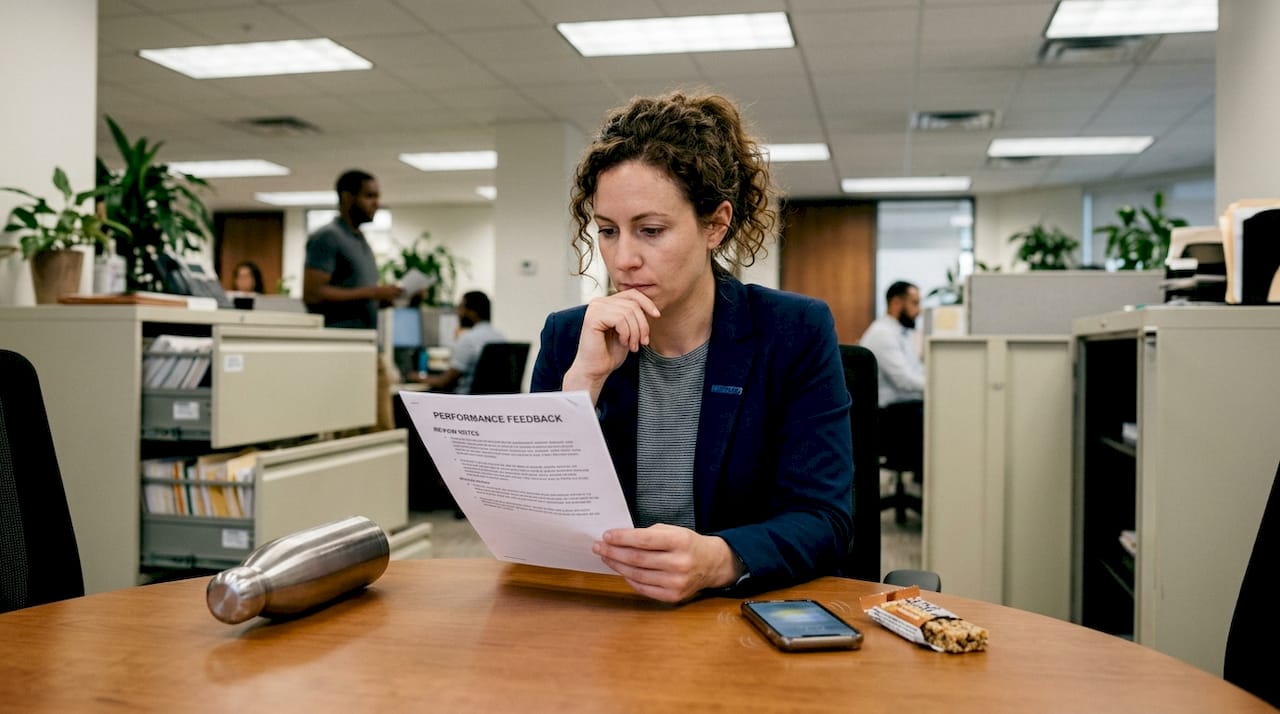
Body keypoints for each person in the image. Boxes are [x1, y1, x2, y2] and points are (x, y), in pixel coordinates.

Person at [530, 91, 853, 604]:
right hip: (600, 609)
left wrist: (719, 559)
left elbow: (825, 519)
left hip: (736, 614)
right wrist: (582, 388)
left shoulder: (793, 331)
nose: (623, 260)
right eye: (608, 232)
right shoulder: (570, 336)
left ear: (716, 224)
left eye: (651, 230)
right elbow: (532, 518)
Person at [302, 169, 401, 328]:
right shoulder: (328, 236)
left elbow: (359, 296)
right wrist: (373, 292)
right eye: (369, 196)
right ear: (347, 197)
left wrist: (386, 297)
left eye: (377, 197)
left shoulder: (360, 239)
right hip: (338, 339)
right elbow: (313, 294)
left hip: (364, 338)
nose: (376, 203)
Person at [420, 290, 505, 393]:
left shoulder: (468, 339)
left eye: (461, 308)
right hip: (492, 401)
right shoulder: (500, 337)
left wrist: (417, 377)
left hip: (464, 403)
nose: (457, 313)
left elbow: (444, 381)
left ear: (473, 312)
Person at [858, 281, 924, 408]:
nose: (919, 311)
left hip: (906, 403)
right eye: (914, 303)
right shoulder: (882, 334)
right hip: (892, 411)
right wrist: (935, 386)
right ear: (896, 303)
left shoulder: (899, 331)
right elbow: (904, 380)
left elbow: (916, 370)